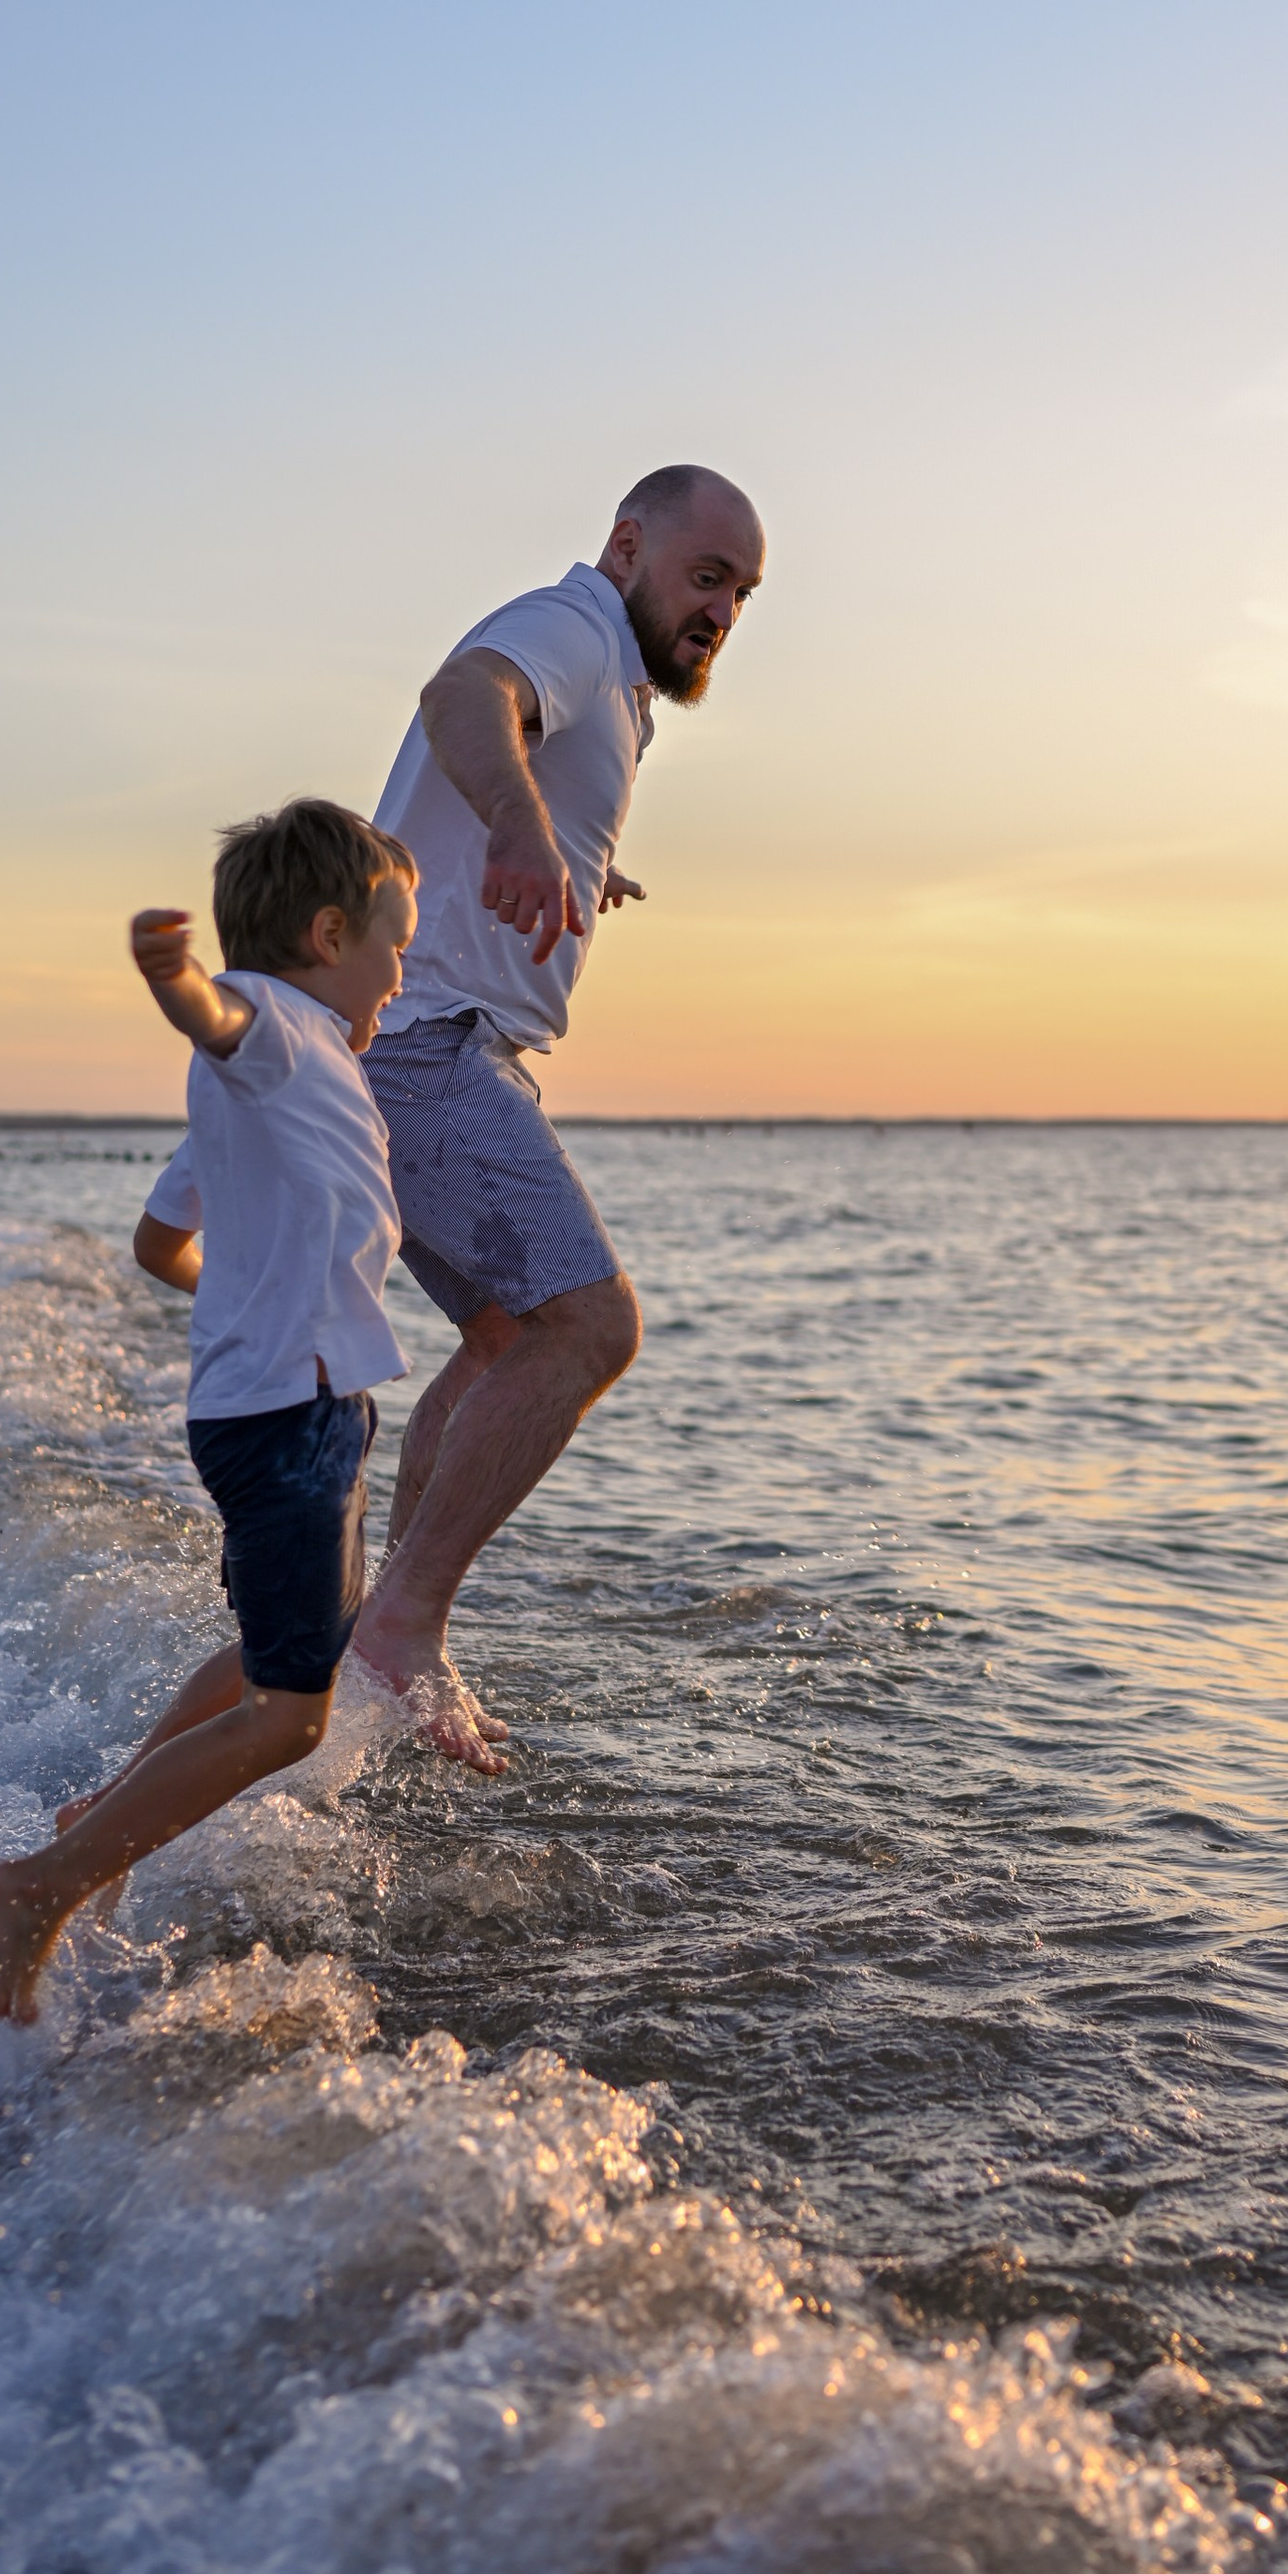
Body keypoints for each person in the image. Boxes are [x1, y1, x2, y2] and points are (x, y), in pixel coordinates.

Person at [338, 463, 767, 1757]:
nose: (721, 614)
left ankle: (380, 1645)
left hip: (429, 1046)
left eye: (742, 595)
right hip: (427, 1045)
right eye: (705, 578)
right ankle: (402, 1627)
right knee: (588, 1329)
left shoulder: (617, 690)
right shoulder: (570, 625)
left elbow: (517, 763)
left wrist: (575, 853)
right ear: (628, 546)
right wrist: (524, 834)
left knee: (505, 1337)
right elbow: (466, 697)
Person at [0, 798, 417, 2025]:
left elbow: (158, 1239)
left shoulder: (271, 1097)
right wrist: (175, 979)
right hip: (285, 1416)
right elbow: (219, 1018)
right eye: (394, 946)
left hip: (305, 1408)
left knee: (294, 1655)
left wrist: (241, 1296)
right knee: (289, 1717)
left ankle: (95, 1819)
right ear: (328, 936)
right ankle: (44, 1885)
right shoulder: (273, 1028)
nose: (400, 974)